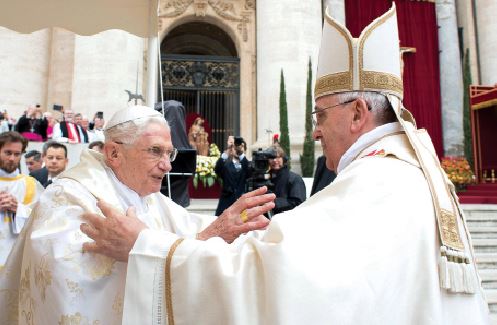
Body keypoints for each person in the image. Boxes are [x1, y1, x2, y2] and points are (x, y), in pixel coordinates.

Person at [78, 5, 490, 324]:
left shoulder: (379, 182)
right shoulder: (403, 173)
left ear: (358, 112)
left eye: (321, 116)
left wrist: (147, 248)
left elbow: (274, 281)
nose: (315, 132)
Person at [0, 105, 273, 324]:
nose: (166, 165)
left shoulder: (148, 196)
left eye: (170, 153)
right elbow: (66, 285)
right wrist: (199, 242)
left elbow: (190, 228)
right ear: (114, 153)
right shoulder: (69, 198)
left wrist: (223, 225)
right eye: (155, 151)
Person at [0, 132, 43, 268]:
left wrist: (18, 209)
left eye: (17, 154)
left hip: (15, 257)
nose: (12, 158)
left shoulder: (31, 184)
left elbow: (43, 218)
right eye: (7, 153)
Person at [215, 135, 250, 216]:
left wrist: (241, 154)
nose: (237, 150)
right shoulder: (226, 164)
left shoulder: (246, 163)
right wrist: (227, 152)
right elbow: (218, 169)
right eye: (235, 148)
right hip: (226, 201)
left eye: (240, 148)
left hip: (241, 201)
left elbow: (249, 171)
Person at [267, 145, 306, 215]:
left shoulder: (294, 178)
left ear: (283, 159)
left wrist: (274, 203)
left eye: (278, 157)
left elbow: (298, 202)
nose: (275, 160)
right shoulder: (266, 178)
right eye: (272, 158)